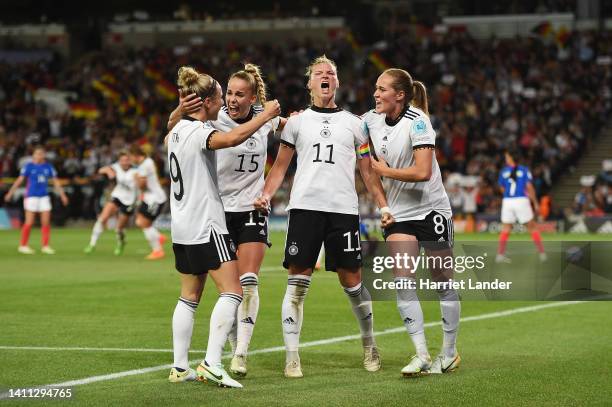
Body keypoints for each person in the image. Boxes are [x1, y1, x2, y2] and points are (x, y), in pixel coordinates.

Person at [254, 55, 392, 378]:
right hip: (304, 210)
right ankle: (292, 357)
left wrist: (383, 205)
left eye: (331, 72)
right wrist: (264, 195)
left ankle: (369, 343)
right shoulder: (298, 123)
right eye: (320, 73)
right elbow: (280, 167)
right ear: (311, 83)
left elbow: (368, 172)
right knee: (297, 286)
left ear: (337, 83)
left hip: (343, 211)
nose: (326, 76)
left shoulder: (355, 124)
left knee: (353, 284)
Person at [166, 65, 281, 388]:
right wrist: (266, 115)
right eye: (220, 96)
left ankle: (179, 366)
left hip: (181, 226)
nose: (224, 103)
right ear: (205, 103)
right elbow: (232, 137)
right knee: (233, 291)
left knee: (188, 297)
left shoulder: (174, 131)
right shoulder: (203, 132)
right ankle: (213, 362)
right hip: (208, 223)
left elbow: (173, 127)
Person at [365, 68, 461, 376]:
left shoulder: (418, 122)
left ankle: (448, 352)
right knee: (403, 281)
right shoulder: (369, 120)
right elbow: (341, 128)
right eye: (376, 89)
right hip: (400, 215)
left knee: (442, 283)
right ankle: (420, 353)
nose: (376, 94)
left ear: (400, 95)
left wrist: (385, 171)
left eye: (382, 89)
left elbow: (423, 172)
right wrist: (383, 205)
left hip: (431, 212)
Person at [4, 146, 68, 254]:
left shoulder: (48, 167)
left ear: (44, 155)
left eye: (41, 153)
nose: (39, 156)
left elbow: (56, 182)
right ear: (33, 155)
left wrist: (62, 195)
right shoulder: (29, 166)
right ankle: (23, 245)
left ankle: (45, 246)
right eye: (37, 153)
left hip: (44, 197)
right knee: (29, 222)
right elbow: (19, 180)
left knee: (46, 222)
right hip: (31, 196)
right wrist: (10, 193)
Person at [84, 150, 138, 255]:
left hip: (129, 201)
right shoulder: (116, 166)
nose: (125, 162)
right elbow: (101, 170)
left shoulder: (136, 170)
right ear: (119, 161)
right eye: (122, 160)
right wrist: (109, 172)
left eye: (127, 160)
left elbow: (141, 185)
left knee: (119, 228)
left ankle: (121, 242)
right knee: (102, 218)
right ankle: (92, 244)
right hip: (117, 196)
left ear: (130, 161)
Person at [496, 150, 546, 263]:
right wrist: (535, 202)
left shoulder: (504, 171)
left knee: (506, 228)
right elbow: (529, 187)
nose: (506, 158)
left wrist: (507, 195)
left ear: (511, 158)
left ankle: (500, 255)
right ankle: (542, 253)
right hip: (521, 200)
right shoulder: (524, 170)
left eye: (507, 157)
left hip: (507, 201)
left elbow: (501, 187)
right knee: (532, 227)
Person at [130, 146, 168, 260]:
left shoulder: (143, 166)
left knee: (144, 223)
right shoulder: (148, 162)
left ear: (136, 155)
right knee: (139, 221)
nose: (131, 159)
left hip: (154, 199)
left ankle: (158, 251)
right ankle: (158, 237)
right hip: (149, 197)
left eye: (131, 157)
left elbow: (142, 185)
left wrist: (136, 178)